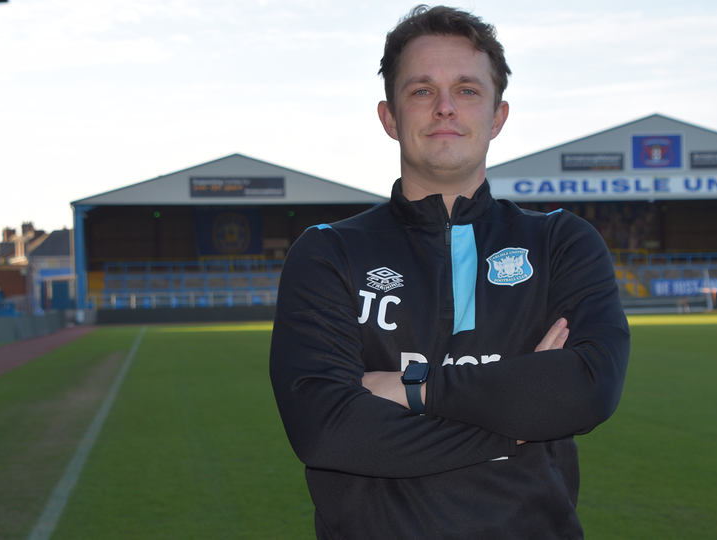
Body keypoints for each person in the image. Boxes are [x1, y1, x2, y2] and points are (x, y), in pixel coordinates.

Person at [269, 5, 630, 538]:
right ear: (389, 117)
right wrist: (519, 424)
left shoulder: (560, 242)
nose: (444, 108)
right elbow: (329, 432)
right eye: (421, 91)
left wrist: (415, 389)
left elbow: (588, 389)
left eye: (466, 90)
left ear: (497, 116)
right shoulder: (328, 253)